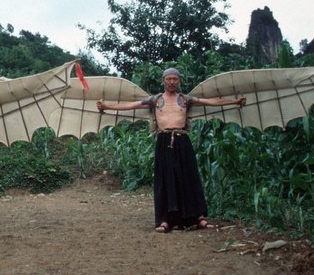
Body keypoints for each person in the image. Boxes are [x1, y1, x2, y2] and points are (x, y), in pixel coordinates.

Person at [96, 68, 246, 233]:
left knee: (189, 177)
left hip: (182, 140)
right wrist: (106, 106)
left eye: (175, 79)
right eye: (169, 79)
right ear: (163, 81)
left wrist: (235, 101)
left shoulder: (185, 99)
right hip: (163, 141)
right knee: (165, 180)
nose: (172, 82)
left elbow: (210, 101)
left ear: (179, 81)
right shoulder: (155, 100)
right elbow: (130, 105)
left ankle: (198, 218)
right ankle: (165, 220)